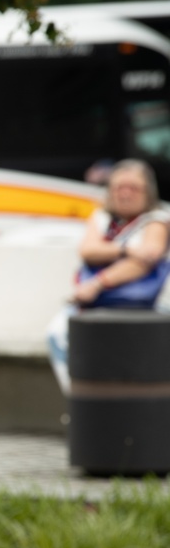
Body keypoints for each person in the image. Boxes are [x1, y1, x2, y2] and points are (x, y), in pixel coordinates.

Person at [46, 158, 170, 394]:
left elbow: (145, 261)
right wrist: (125, 249)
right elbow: (88, 250)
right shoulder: (102, 217)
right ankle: (80, 402)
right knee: (57, 335)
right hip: (96, 305)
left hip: (146, 307)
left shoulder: (157, 221)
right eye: (119, 188)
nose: (125, 194)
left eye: (133, 188)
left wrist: (98, 283)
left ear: (148, 192)